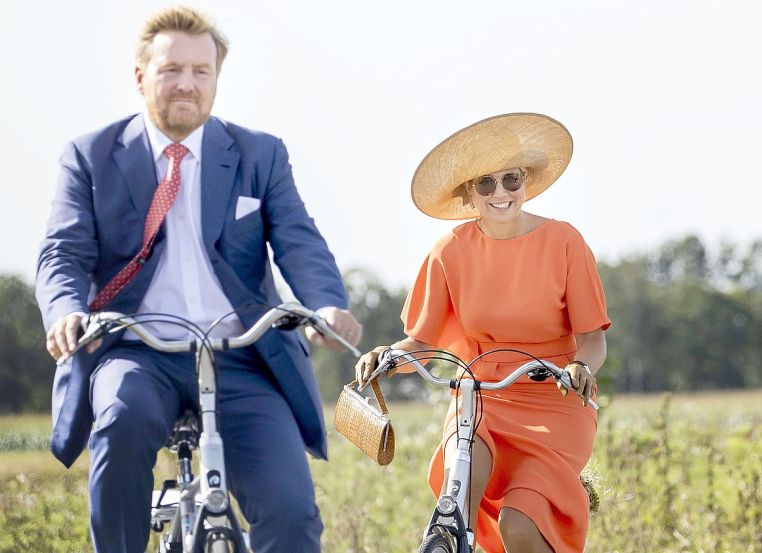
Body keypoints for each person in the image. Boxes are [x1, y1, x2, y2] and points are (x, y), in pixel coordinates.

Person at [35, 7, 362, 552]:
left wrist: (325, 304)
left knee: (291, 513)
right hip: (137, 350)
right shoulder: (90, 157)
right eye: (170, 70)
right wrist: (67, 309)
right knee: (119, 423)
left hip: (244, 355)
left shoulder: (260, 154)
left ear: (216, 78)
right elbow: (63, 252)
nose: (187, 84)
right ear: (140, 76)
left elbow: (299, 240)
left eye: (201, 71)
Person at [355, 113, 610, 553]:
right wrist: (387, 355)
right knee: (458, 489)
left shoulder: (565, 242)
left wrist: (580, 368)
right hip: (480, 393)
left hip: (555, 396)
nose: (500, 193)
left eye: (510, 180)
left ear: (526, 182)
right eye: (485, 184)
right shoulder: (449, 251)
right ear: (468, 193)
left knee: (521, 525)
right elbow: (420, 341)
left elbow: (592, 338)